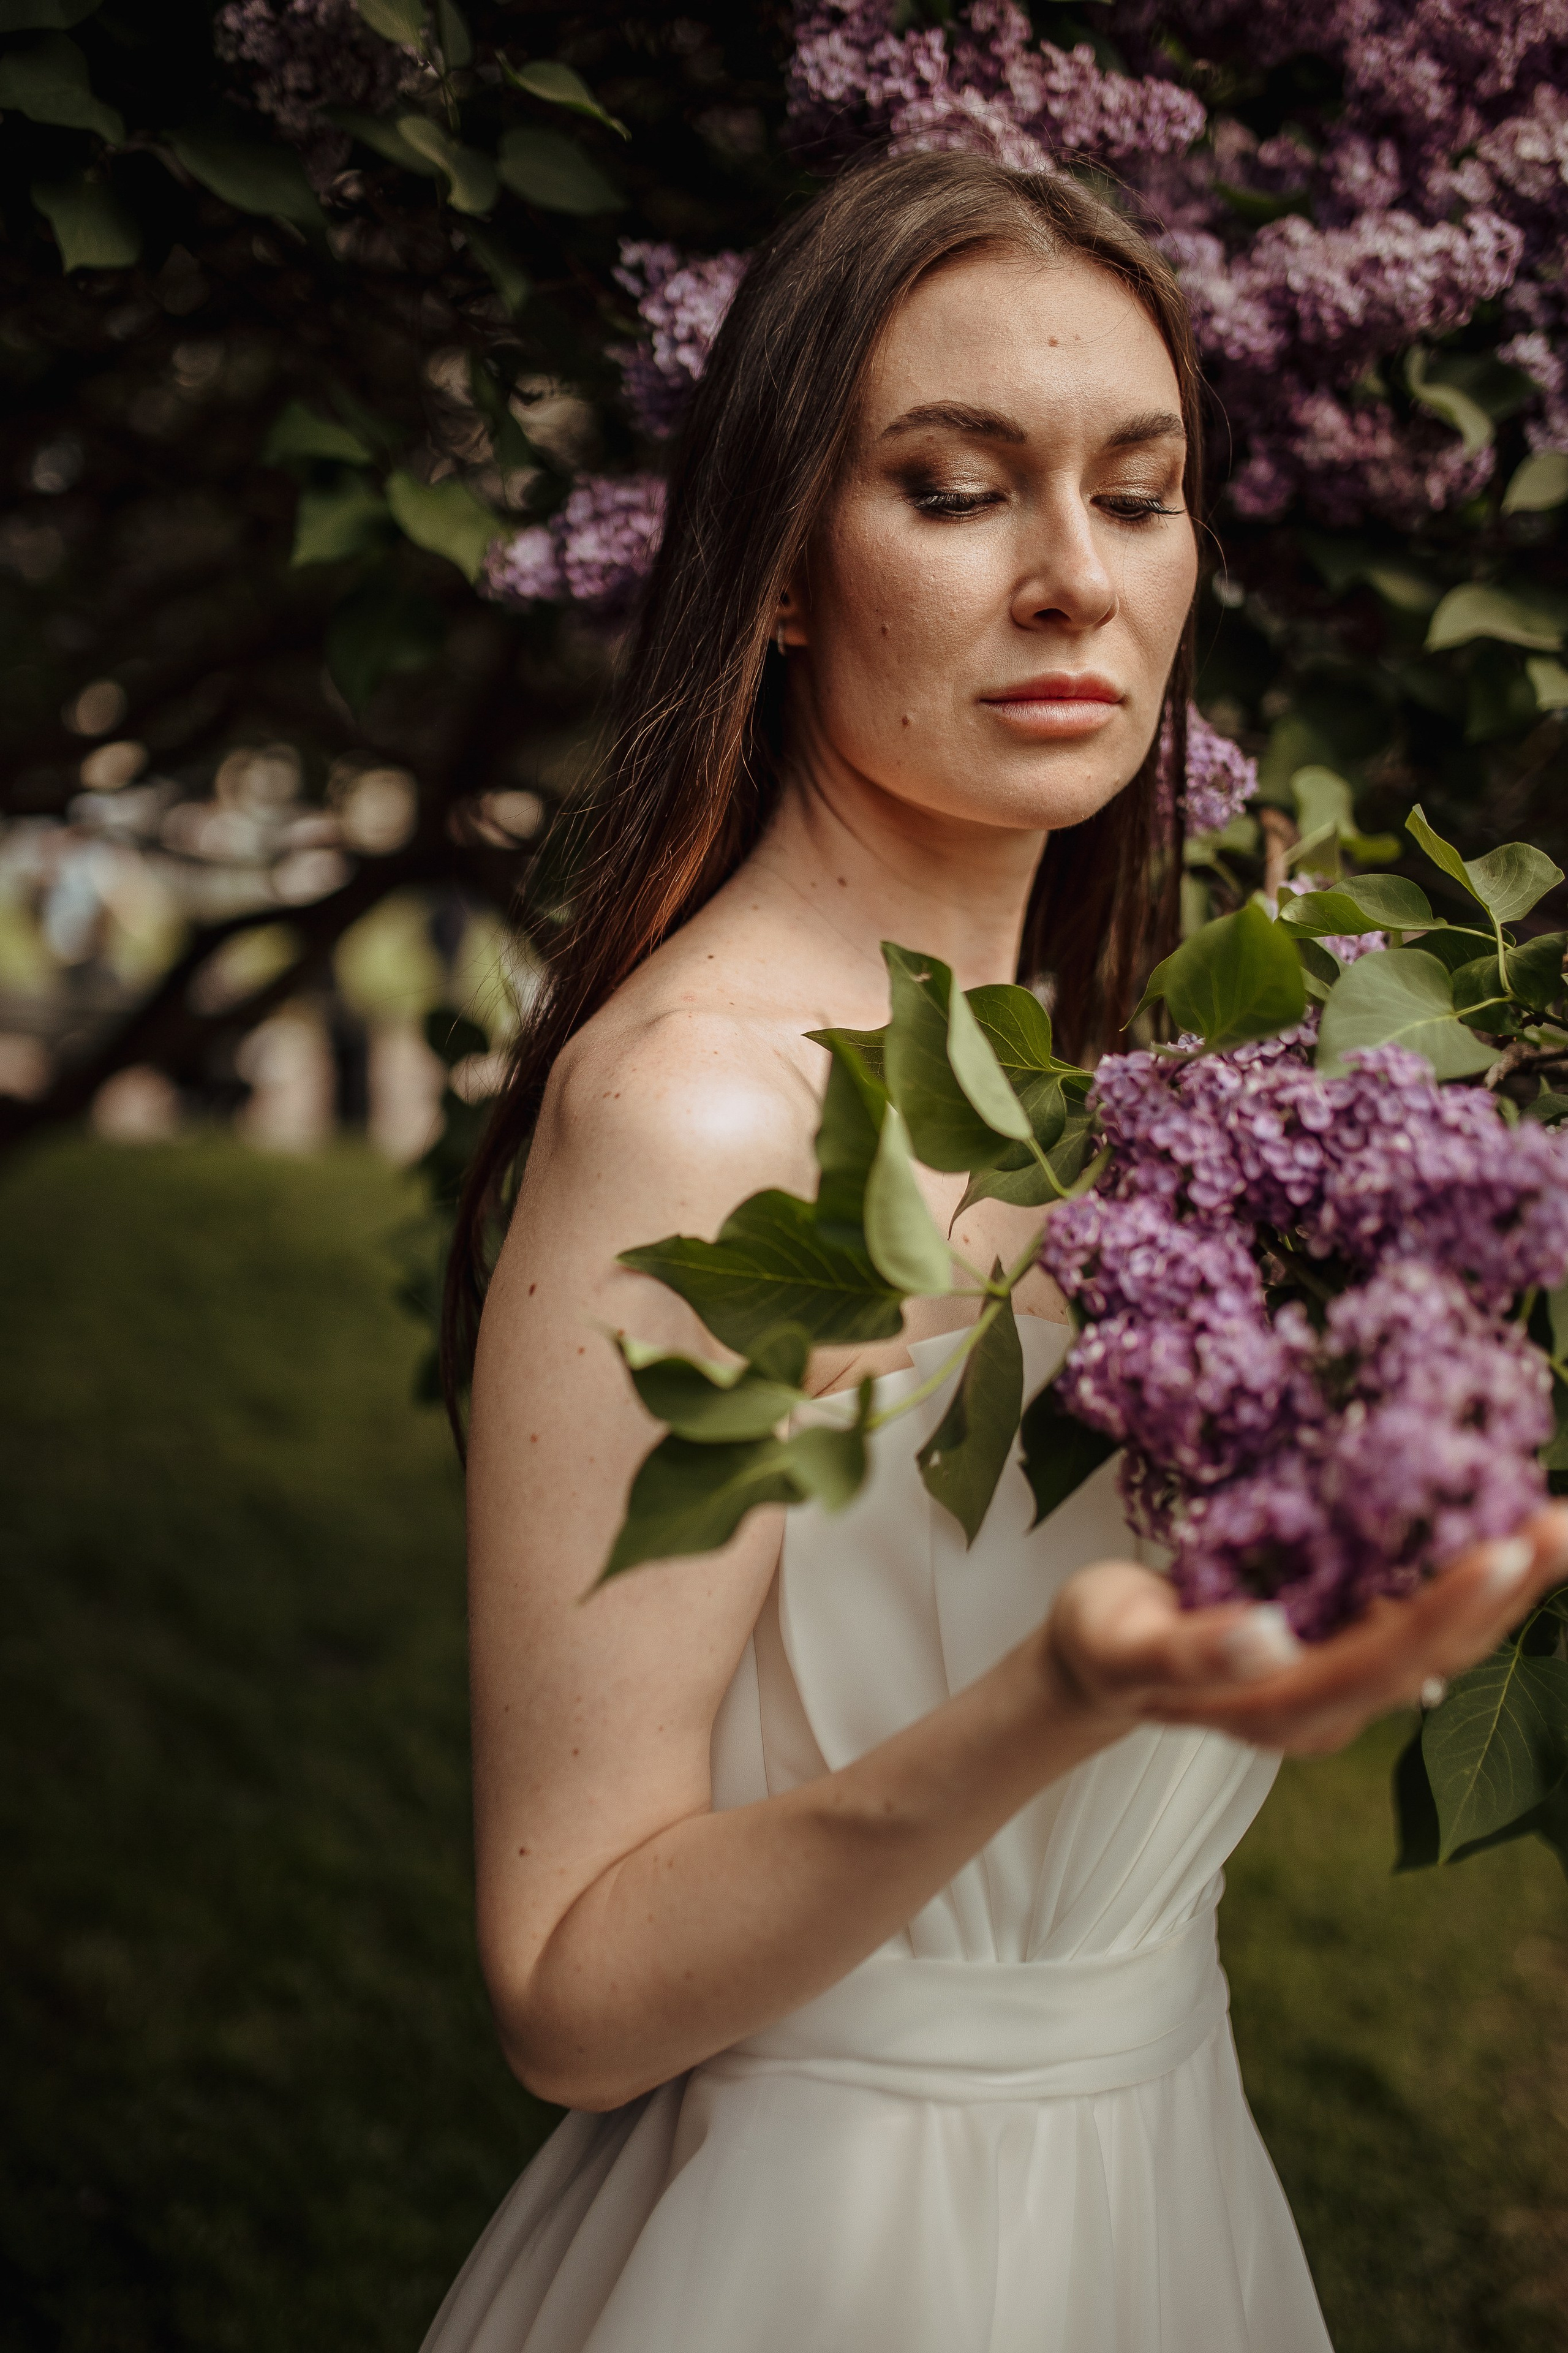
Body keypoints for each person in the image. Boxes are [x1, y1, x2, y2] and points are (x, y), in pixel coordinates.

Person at [424, 151, 1568, 2353]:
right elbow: (569, 1991)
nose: (1076, 581)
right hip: (831, 2255)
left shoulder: (1133, 1077)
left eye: (1138, 496)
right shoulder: (700, 1112)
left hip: (1161, 2190)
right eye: (958, 492)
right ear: (776, 569)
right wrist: (1055, 1696)